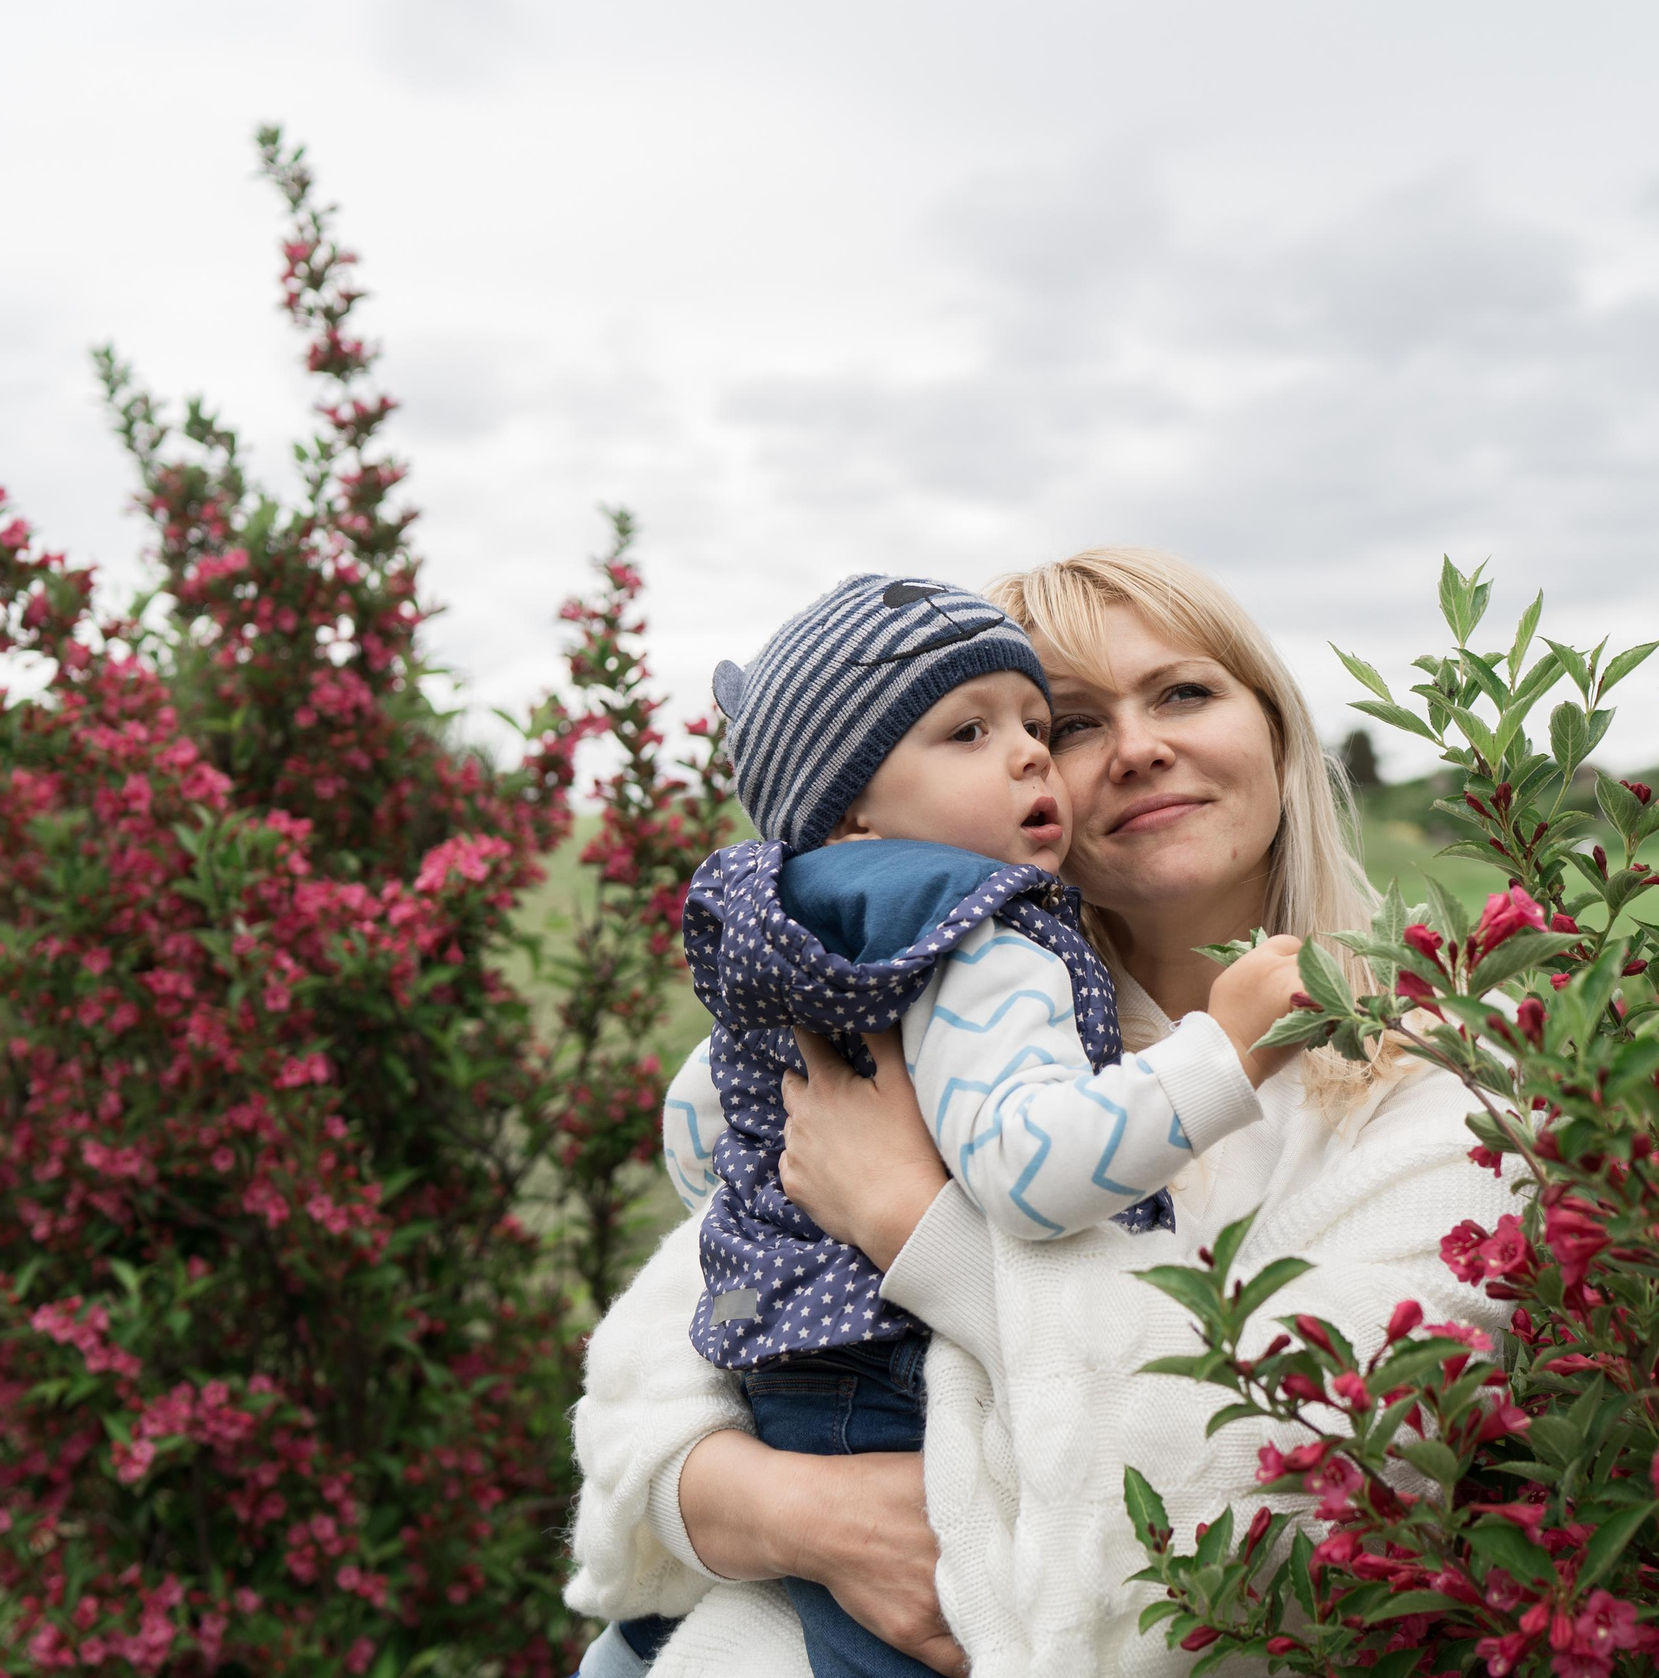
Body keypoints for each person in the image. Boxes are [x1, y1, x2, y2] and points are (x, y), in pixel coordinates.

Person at [567, 550, 1520, 1677]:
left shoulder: (1449, 1070)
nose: (1136, 747)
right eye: (1070, 723)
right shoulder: (933, 1027)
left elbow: (1310, 1480)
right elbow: (650, 1374)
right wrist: (776, 1506)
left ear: (1274, 727)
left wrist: (912, 1223)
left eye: (1182, 692)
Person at [642, 572, 1310, 1678]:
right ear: (851, 805)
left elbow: (694, 1127)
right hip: (894, 1404)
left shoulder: (822, 949)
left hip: (795, 1366)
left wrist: (862, 1209)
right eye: (976, 730)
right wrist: (1221, 1054)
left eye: (1040, 726)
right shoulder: (989, 952)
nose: (1036, 756)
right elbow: (1028, 1172)